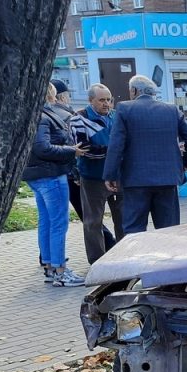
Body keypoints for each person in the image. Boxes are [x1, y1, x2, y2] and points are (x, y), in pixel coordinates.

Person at [103, 75, 187, 234]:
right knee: (169, 231)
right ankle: (167, 259)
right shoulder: (171, 109)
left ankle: (139, 259)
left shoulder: (125, 109)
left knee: (134, 231)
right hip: (167, 180)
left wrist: (110, 174)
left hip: (135, 181)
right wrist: (185, 164)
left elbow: (116, 144)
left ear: (133, 90)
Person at [24, 83, 89, 287]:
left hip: (38, 175)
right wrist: (71, 151)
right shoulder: (43, 117)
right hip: (51, 175)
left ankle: (51, 266)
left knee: (47, 221)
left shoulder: (31, 115)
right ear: (51, 94)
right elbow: (43, 148)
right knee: (58, 223)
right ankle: (60, 271)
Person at [69, 83, 123, 264]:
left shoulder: (116, 116)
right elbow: (85, 149)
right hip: (93, 177)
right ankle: (98, 261)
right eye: (101, 100)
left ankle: (125, 256)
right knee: (93, 222)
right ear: (91, 100)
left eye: (109, 99)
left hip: (117, 176)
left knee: (122, 219)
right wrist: (114, 150)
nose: (106, 103)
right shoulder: (78, 119)